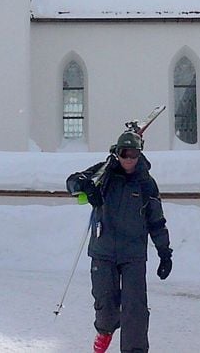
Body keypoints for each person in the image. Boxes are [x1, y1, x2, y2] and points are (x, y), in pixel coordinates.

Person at [67, 131, 172, 353]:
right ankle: (105, 329)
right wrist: (86, 186)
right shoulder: (104, 173)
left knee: (135, 308)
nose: (129, 159)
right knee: (105, 303)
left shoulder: (146, 184)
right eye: (125, 154)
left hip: (133, 254)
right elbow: (72, 183)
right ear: (117, 153)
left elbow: (156, 220)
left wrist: (164, 253)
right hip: (103, 250)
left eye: (134, 154)